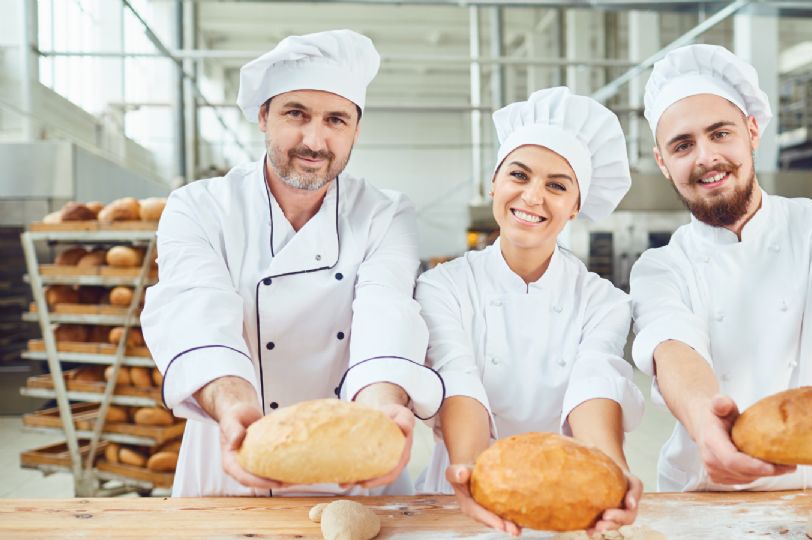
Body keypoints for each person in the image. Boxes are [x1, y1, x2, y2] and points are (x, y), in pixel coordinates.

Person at [141, 30, 443, 497]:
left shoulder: (384, 213)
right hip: (233, 453)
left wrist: (384, 406)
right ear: (263, 116)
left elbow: (388, 311)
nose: (315, 140)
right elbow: (196, 312)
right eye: (295, 114)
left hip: (355, 463)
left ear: (356, 130)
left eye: (336, 120)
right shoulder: (199, 207)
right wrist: (233, 407)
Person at [631, 43, 812, 492]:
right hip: (710, 492)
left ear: (751, 130)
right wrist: (705, 422)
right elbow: (673, 348)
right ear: (664, 164)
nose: (706, 157)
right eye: (682, 145)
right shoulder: (660, 267)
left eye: (720, 133)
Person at [415, 87, 645, 535]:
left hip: (570, 504)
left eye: (557, 186)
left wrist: (613, 471)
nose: (533, 196)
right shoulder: (442, 286)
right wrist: (471, 471)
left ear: (576, 205)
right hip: (458, 500)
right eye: (519, 175)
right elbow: (457, 375)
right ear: (494, 183)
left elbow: (594, 383)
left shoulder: (604, 301)